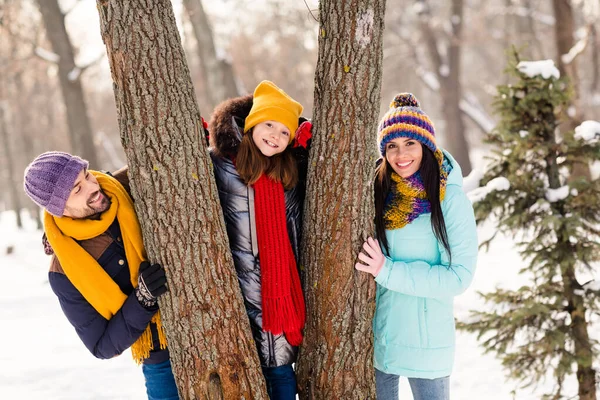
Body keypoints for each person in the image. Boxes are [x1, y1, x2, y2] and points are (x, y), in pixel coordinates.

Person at [23, 152, 178, 400]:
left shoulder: (117, 188)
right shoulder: (63, 272)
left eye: (87, 175)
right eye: (77, 189)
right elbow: (101, 345)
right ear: (59, 208)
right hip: (160, 358)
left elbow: (167, 156)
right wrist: (143, 299)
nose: (93, 187)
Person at [354, 94, 478, 400]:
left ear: (426, 145)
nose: (401, 154)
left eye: (410, 143)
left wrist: (388, 271)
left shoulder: (450, 199)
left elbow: (459, 276)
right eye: (392, 146)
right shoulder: (378, 193)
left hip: (428, 348)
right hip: (380, 344)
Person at [208, 80, 311, 399]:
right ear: (251, 124)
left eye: (284, 132)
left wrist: (311, 144)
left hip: (279, 296)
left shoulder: (290, 170)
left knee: (280, 374)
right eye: (269, 125)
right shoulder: (221, 163)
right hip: (234, 299)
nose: (275, 136)